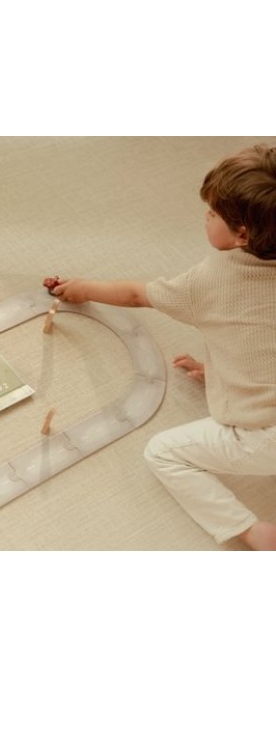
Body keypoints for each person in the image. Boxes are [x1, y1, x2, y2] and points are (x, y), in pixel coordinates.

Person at [52, 144, 276, 550]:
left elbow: (138, 295)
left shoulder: (212, 279)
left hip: (265, 437)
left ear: (242, 233)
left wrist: (84, 288)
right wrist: (219, 371)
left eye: (213, 213)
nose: (205, 217)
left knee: (163, 453)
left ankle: (252, 532)